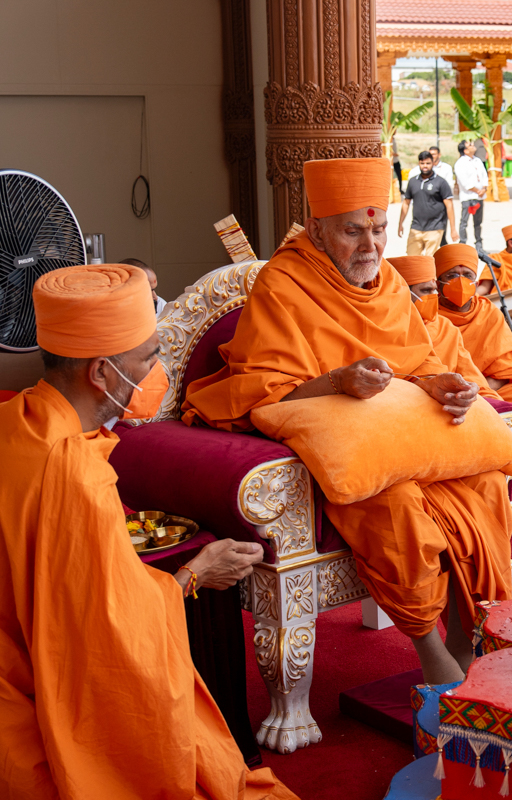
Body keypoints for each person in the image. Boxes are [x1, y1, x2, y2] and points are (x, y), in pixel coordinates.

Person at [182, 158, 512, 686]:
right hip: (345, 448)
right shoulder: (283, 284)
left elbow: (417, 359)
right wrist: (338, 383)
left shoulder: (386, 284)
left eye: (379, 229)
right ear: (316, 229)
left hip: (401, 434)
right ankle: (430, 648)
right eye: (352, 231)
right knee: (395, 501)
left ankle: (464, 637)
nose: (371, 246)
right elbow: (264, 386)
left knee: (488, 483)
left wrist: (437, 385)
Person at [1, 265, 295, 799]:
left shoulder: (14, 420)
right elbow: (107, 630)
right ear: (101, 374)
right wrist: (193, 575)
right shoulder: (74, 471)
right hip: (31, 707)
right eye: (149, 360)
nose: (158, 372)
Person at [434, 243, 512, 411]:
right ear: (438, 284)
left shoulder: (489, 313)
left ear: (476, 282)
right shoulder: (429, 315)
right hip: (446, 391)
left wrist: (477, 390)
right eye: (452, 275)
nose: (461, 281)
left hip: (486, 387)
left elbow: (508, 371)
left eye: (467, 275)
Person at [388, 256, 501, 401]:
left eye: (434, 290)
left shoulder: (445, 327)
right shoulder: (384, 329)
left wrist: (493, 404)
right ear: (402, 293)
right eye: (426, 290)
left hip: (453, 400)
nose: (434, 296)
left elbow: (470, 375)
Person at [398, 150, 457, 256]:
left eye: (428, 163)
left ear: (433, 163)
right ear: (419, 164)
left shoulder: (441, 182)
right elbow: (406, 203)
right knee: (412, 260)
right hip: (416, 228)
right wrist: (400, 224)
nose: (425, 166)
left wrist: (453, 229)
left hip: (435, 228)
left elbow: (449, 206)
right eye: (422, 163)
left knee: (429, 262)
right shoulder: (412, 182)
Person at [454, 139, 488, 246]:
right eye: (470, 145)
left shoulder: (477, 160)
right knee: (464, 222)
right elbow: (464, 182)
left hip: (479, 197)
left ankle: (479, 244)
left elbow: (484, 175)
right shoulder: (460, 163)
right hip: (468, 197)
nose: (473, 145)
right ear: (465, 150)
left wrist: (484, 188)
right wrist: (478, 190)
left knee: (478, 223)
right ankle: (463, 243)